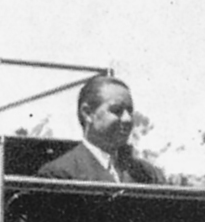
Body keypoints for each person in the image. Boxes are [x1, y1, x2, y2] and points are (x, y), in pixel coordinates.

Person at [36, 76, 165, 184]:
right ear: (87, 113)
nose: (127, 119)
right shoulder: (59, 175)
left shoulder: (149, 175)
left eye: (130, 111)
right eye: (116, 110)